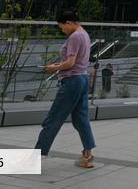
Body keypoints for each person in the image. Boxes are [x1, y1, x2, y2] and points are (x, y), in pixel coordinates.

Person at [35, 10, 97, 169]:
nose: (62, 30)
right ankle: (87, 155)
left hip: (72, 81)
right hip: (82, 79)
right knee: (81, 119)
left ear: (69, 22)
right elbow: (75, 62)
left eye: (62, 27)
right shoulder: (85, 34)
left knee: (53, 119)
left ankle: (35, 157)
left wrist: (53, 68)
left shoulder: (75, 36)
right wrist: (57, 67)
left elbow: (70, 63)